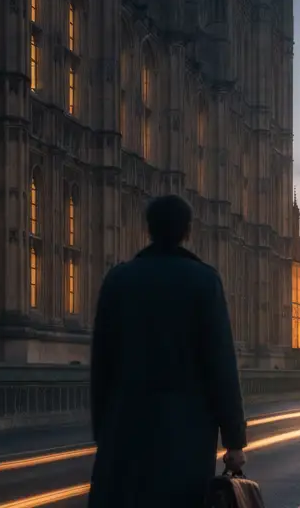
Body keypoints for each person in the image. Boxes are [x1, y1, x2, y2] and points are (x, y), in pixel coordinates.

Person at [88, 195, 247, 508]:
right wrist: (234, 441)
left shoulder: (118, 280)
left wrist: (102, 430)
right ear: (187, 231)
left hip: (126, 431)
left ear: (148, 228)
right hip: (185, 436)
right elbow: (221, 366)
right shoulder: (204, 281)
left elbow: (101, 364)